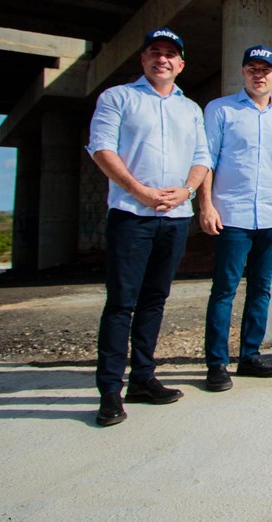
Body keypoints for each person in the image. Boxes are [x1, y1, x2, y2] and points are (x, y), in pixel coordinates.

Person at [87, 27, 210, 426]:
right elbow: (101, 149)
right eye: (154, 52)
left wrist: (187, 191)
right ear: (143, 60)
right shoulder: (118, 98)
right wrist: (139, 190)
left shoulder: (190, 108)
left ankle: (142, 378)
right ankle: (109, 391)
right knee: (122, 302)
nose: (162, 59)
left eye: (170, 54)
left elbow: (202, 157)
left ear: (181, 64)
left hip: (174, 218)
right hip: (131, 215)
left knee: (155, 301)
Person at [198, 45, 272, 392]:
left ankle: (250, 356)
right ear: (243, 72)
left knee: (261, 289)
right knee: (224, 290)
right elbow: (205, 160)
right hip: (232, 216)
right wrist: (206, 206)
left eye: (266, 69)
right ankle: (216, 364)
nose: (260, 74)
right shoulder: (220, 110)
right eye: (253, 68)